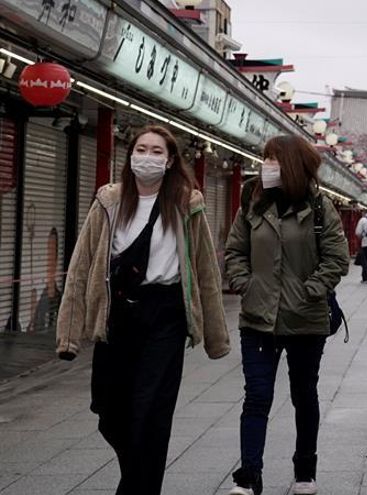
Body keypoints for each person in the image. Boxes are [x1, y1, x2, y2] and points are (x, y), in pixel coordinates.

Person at [55, 125, 230, 495]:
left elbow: (205, 272)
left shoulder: (187, 203)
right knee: (110, 413)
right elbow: (81, 265)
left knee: (150, 412)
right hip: (117, 316)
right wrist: (69, 333)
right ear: (130, 155)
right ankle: (138, 479)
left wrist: (215, 337)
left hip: (165, 315)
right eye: (141, 149)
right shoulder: (109, 201)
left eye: (156, 152)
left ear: (169, 162)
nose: (147, 157)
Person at [225, 134, 349, 495]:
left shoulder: (321, 207)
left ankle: (305, 471)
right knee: (256, 396)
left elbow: (336, 259)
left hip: (306, 319)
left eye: (273, 159)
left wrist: (309, 292)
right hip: (257, 319)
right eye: (265, 158)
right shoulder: (253, 201)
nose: (266, 165)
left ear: (293, 165)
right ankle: (249, 474)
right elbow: (235, 250)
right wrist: (246, 283)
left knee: (303, 395)